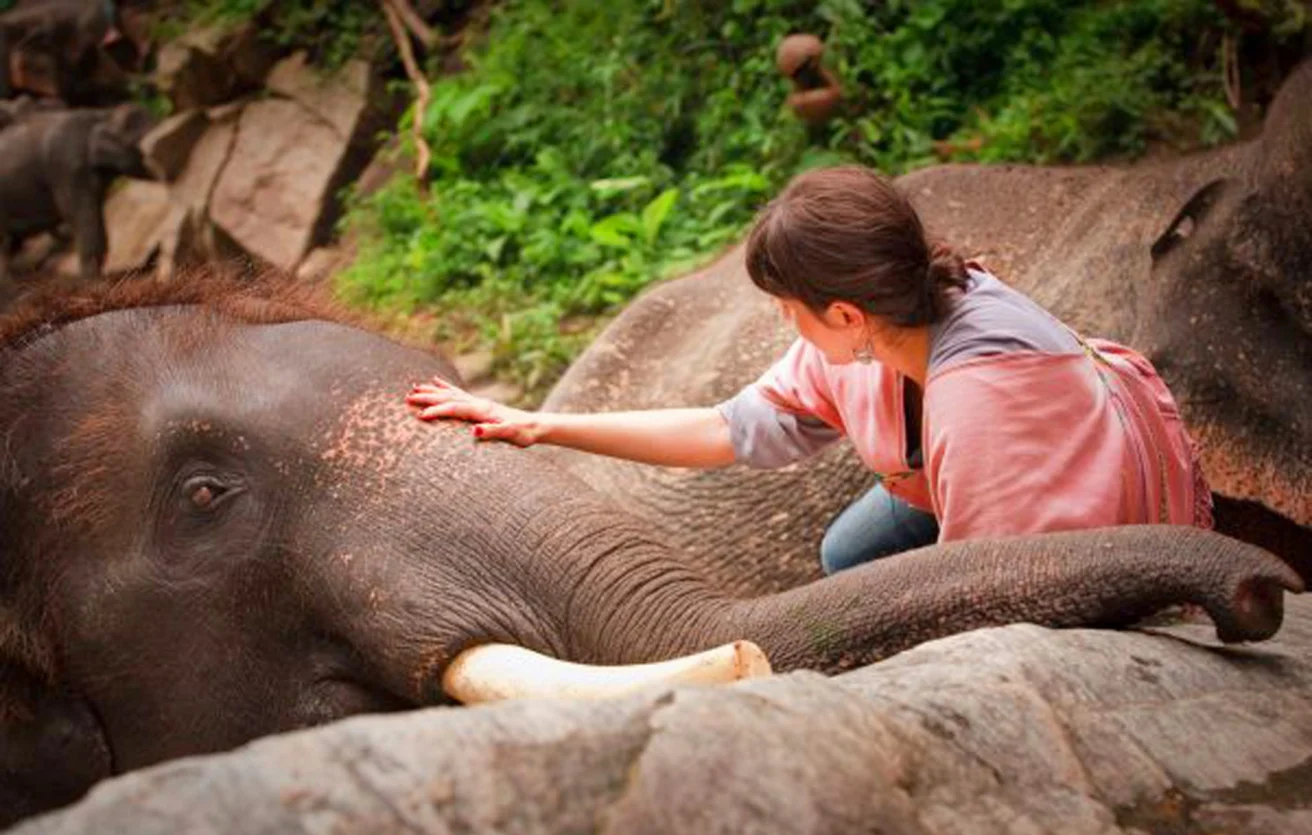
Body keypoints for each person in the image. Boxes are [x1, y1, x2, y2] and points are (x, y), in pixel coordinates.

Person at [406, 165, 1213, 574]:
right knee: (845, 557)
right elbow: (726, 428)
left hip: (1075, 523)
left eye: (788, 307)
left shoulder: (985, 402)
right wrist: (545, 425)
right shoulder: (883, 329)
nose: (782, 323)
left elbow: (1001, 584)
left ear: (847, 315)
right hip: (944, 484)